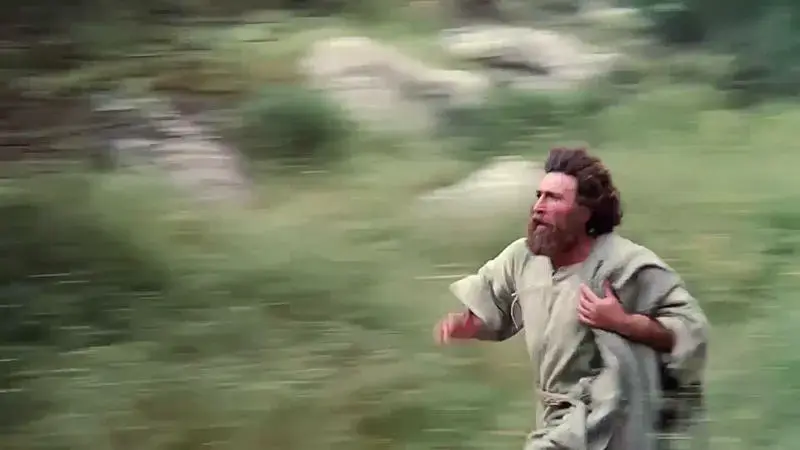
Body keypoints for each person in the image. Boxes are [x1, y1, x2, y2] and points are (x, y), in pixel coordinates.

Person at [434, 147, 710, 450]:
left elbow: (690, 331)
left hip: (609, 418)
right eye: (539, 195)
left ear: (585, 212)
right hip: (554, 417)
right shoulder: (522, 259)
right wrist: (469, 325)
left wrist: (624, 322)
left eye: (554, 198)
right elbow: (494, 306)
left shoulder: (624, 265)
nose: (539, 207)